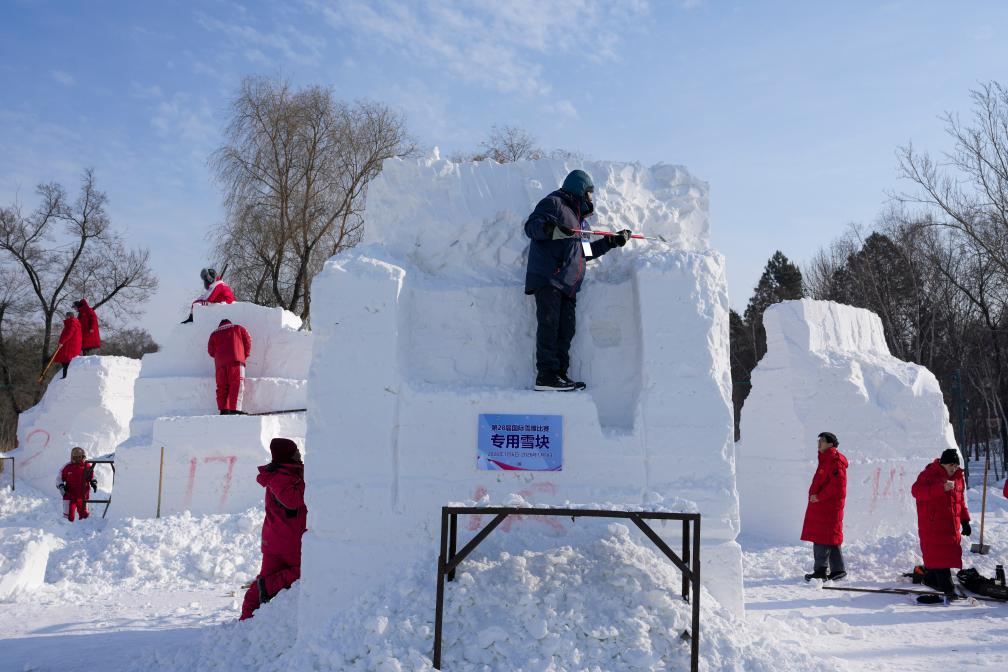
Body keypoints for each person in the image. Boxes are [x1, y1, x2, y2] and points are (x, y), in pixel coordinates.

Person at [523, 170, 632, 391]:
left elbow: (586, 252)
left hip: (569, 286)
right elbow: (531, 227)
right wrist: (552, 229)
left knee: (566, 331)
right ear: (579, 190)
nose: (592, 198)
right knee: (550, 326)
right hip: (549, 278)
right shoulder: (553, 203)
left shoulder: (582, 224)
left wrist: (611, 242)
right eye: (589, 193)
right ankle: (546, 376)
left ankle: (560, 376)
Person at [240, 438, 307, 620]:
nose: (299, 455)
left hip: (278, 541)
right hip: (287, 543)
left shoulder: (287, 473)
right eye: (296, 452)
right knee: (304, 572)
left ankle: (246, 620)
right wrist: (309, 481)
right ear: (288, 455)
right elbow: (293, 501)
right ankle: (260, 596)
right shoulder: (279, 476)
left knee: (266, 580)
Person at [911, 448, 971, 598]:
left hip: (951, 525)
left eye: (956, 465)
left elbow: (960, 502)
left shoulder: (958, 478)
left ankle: (931, 579)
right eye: (951, 465)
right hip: (932, 525)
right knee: (940, 556)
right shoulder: (929, 474)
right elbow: (916, 491)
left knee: (946, 555)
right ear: (943, 464)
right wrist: (941, 488)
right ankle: (947, 587)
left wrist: (965, 521)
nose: (954, 468)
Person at [801, 431, 849, 581]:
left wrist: (819, 497)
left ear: (830, 444)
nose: (819, 443)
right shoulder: (826, 459)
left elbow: (838, 487)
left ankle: (820, 572)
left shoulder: (835, 461)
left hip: (828, 507)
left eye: (822, 441)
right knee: (830, 538)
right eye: (819, 440)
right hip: (823, 507)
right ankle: (838, 570)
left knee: (821, 538)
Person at [207, 319, 252, 415]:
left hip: (220, 364)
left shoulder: (213, 334)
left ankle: (223, 411)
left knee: (222, 387)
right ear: (229, 323)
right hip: (236, 360)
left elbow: (210, 351)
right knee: (237, 384)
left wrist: (220, 357)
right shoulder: (238, 328)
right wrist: (245, 355)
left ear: (220, 325)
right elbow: (248, 340)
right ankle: (235, 410)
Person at [58, 447, 97, 522]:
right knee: (69, 518)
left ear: (83, 456)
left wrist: (93, 482)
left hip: (83, 496)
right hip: (70, 496)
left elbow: (92, 476)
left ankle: (83, 528)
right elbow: (59, 478)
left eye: (80, 457)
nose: (78, 459)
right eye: (76, 457)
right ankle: (66, 529)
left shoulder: (87, 466)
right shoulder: (67, 467)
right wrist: (61, 486)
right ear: (72, 457)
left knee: (84, 516)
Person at [55, 311, 82, 378]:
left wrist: (62, 342)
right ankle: (65, 376)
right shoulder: (73, 323)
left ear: (69, 316)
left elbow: (69, 334)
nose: (65, 317)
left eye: (66, 316)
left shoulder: (72, 323)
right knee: (66, 361)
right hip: (71, 345)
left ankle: (65, 376)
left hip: (70, 346)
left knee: (66, 361)